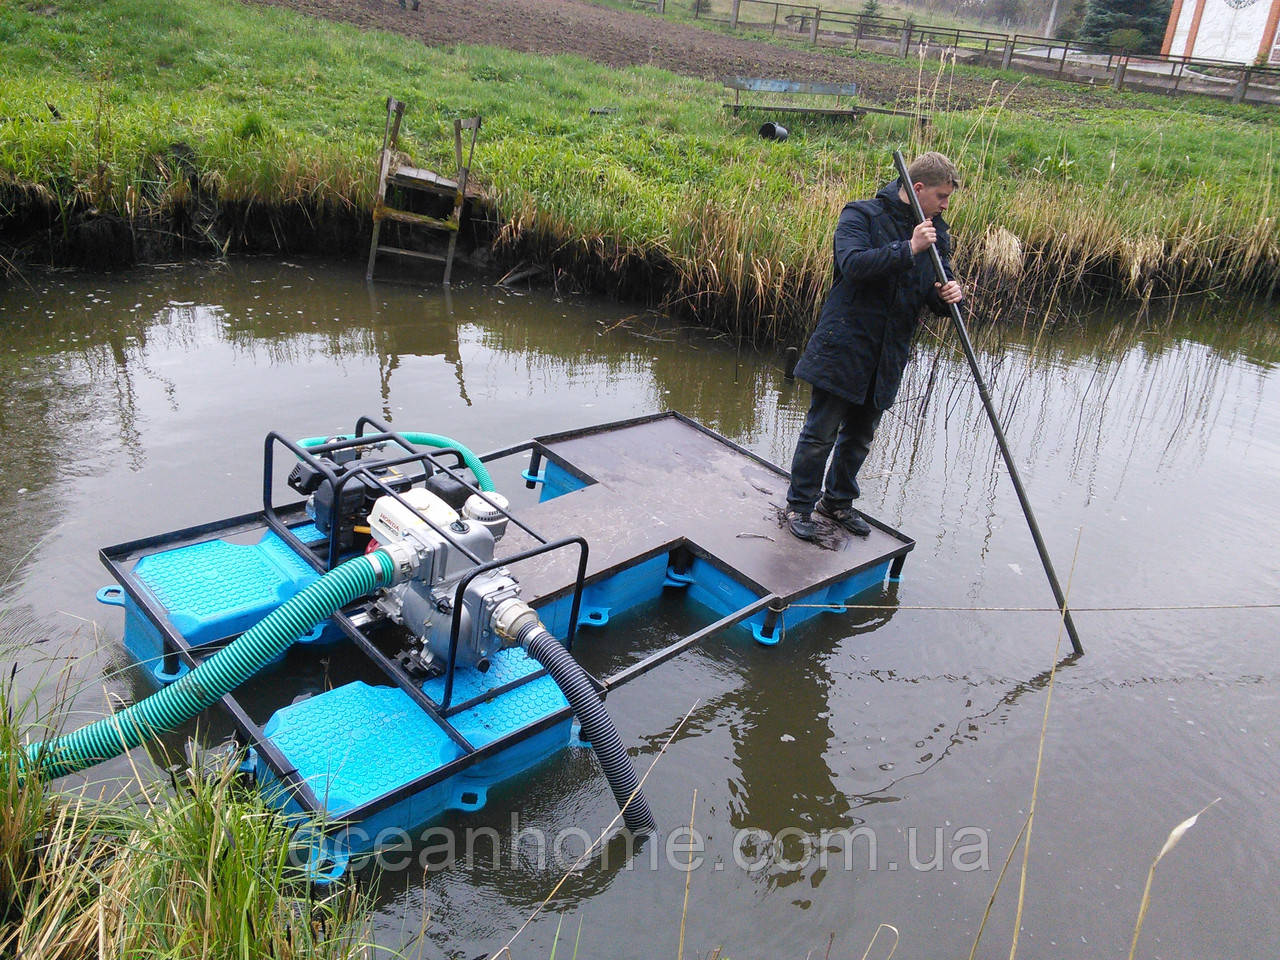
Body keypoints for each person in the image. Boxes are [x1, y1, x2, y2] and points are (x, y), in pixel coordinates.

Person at [785, 152, 965, 542]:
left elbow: (936, 288)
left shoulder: (937, 233)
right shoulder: (861, 215)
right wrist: (909, 248)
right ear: (918, 190)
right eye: (941, 196)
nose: (946, 205)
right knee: (821, 434)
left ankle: (837, 502)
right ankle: (800, 506)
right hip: (845, 344)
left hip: (889, 352)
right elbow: (853, 265)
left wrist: (950, 295)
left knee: (861, 436)